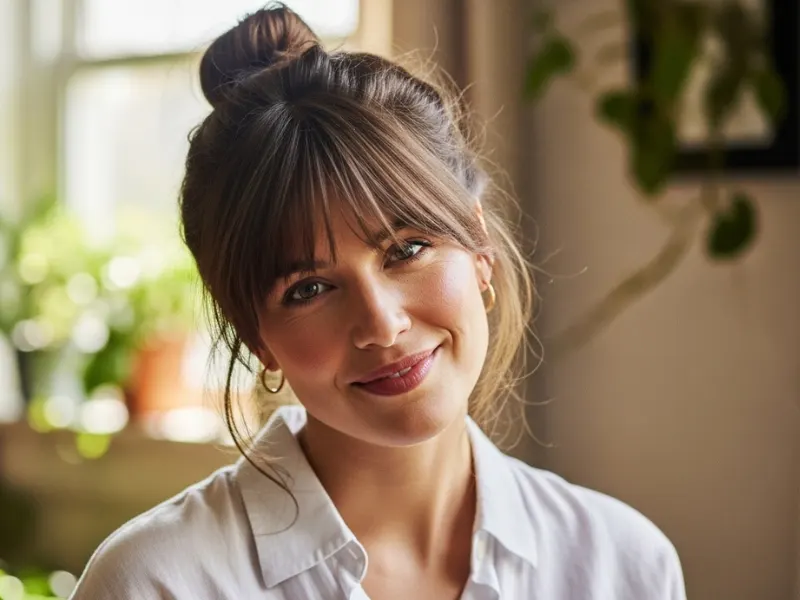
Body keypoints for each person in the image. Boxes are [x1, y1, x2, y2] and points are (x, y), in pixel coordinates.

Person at [70, 4, 686, 599]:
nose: (382, 325)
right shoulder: (154, 584)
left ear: (480, 246)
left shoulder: (624, 566)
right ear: (255, 336)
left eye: (407, 249)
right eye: (308, 289)